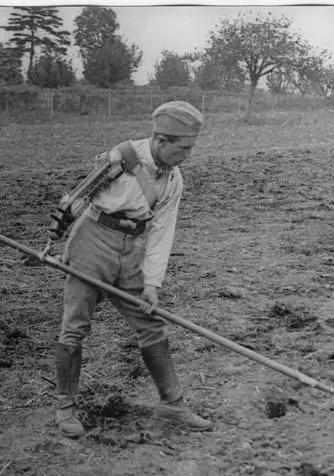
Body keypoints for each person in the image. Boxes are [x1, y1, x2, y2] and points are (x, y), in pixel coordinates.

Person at [50, 100, 213, 438]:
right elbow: (79, 198)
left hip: (132, 250)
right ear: (161, 140)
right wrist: (57, 233)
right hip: (92, 242)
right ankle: (65, 408)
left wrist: (153, 283)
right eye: (182, 148)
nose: (187, 155)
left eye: (191, 148)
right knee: (74, 327)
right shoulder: (121, 158)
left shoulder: (174, 180)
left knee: (151, 323)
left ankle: (173, 404)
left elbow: (161, 231)